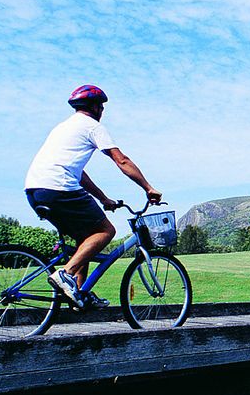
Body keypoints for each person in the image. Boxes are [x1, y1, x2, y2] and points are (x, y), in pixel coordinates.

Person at [24, 84, 162, 309]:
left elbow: (80, 174)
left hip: (36, 190)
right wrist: (148, 187)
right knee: (106, 231)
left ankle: (78, 294)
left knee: (85, 239)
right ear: (96, 107)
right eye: (102, 106)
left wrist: (103, 198)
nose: (103, 111)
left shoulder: (63, 127)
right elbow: (122, 160)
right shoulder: (92, 126)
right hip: (59, 187)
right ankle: (66, 274)